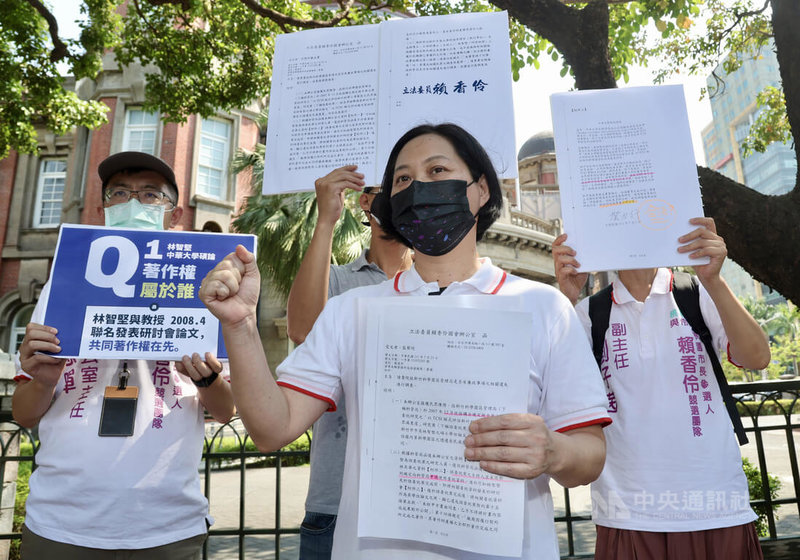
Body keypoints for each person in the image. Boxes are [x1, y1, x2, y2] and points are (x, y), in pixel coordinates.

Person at [199, 123, 611, 559]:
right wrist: (240, 326)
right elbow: (270, 429)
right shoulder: (351, 311)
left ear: (481, 190)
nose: (420, 187)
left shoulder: (544, 308)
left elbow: (589, 456)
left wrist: (553, 451)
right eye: (403, 179)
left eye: (437, 170)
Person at [14, 151, 235, 559]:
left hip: (167, 525)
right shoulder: (61, 290)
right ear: (104, 208)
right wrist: (43, 379)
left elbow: (224, 411)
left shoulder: (206, 295)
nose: (134, 203)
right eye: (120, 193)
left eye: (151, 194)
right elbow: (24, 414)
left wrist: (208, 380)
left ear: (175, 213)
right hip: (62, 523)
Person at [552, 219, 770, 560]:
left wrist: (713, 278)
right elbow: (549, 388)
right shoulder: (587, 313)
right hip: (628, 509)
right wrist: (564, 296)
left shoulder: (698, 293)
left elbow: (757, 356)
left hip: (715, 502)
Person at [285, 165, 412, 559]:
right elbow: (303, 330)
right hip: (337, 502)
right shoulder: (337, 282)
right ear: (366, 201)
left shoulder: (442, 287)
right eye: (388, 187)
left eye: (407, 186)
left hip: (419, 500)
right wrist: (326, 221)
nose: (398, 196)